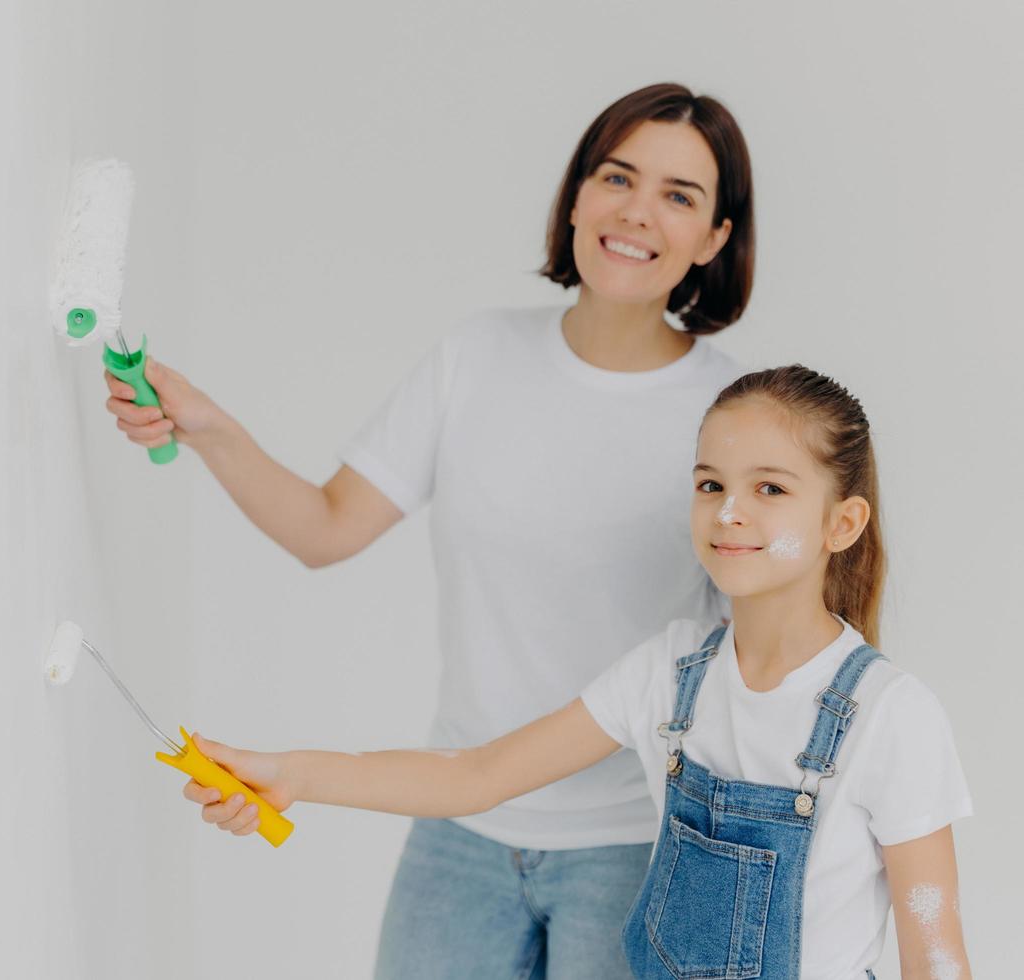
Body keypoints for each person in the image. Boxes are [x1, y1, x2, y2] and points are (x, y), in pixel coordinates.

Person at [107, 83, 754, 978]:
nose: (637, 212)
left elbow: (764, 650)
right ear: (576, 195)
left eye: (680, 196)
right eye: (617, 176)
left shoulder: (733, 415)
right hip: (460, 836)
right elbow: (324, 529)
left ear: (715, 239)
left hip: (636, 843)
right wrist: (209, 427)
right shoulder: (476, 358)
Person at [186, 366, 973, 980]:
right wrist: (291, 775)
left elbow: (935, 956)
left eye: (770, 488)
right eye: (711, 485)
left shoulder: (889, 715)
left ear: (843, 521)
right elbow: (477, 776)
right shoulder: (670, 676)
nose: (730, 511)